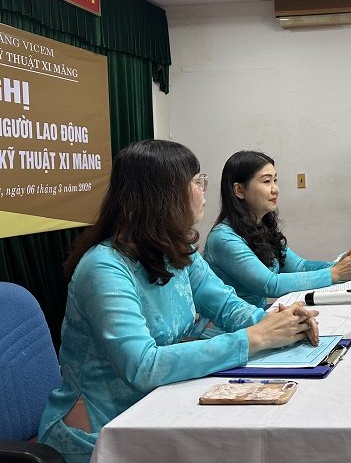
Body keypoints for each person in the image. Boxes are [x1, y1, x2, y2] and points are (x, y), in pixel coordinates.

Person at [37, 140, 319, 463]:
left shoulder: (177, 251)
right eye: (197, 182)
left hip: (161, 401)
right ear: (163, 194)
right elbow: (143, 366)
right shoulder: (104, 267)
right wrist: (253, 338)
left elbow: (227, 306)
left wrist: (279, 322)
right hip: (102, 429)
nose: (203, 192)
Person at [204, 150, 351, 306]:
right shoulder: (223, 238)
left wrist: (343, 265)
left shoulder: (261, 226)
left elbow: (298, 266)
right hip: (235, 326)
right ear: (239, 190)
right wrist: (335, 273)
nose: (275, 189)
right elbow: (270, 284)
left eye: (275, 180)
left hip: (259, 317)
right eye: (266, 181)